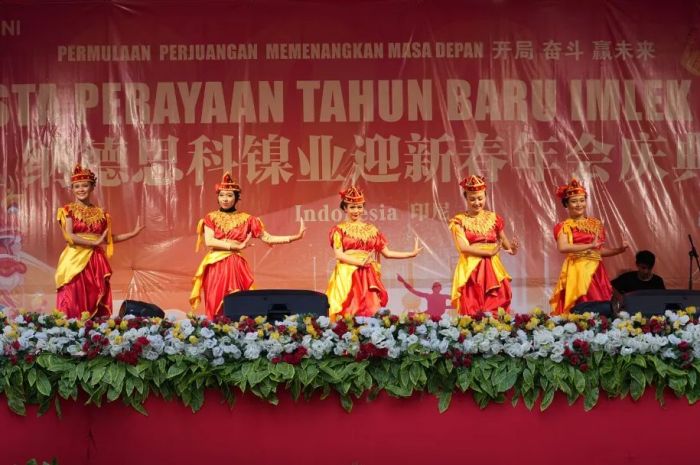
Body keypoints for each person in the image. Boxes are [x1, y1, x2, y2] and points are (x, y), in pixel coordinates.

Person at [189, 172, 305, 319]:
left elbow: (268, 238)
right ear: (217, 197)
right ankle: (214, 329)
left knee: (238, 302)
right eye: (222, 195)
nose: (225, 199)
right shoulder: (210, 217)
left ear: (237, 198)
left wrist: (294, 237)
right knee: (214, 301)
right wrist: (235, 247)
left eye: (229, 195)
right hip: (215, 265)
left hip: (235, 265)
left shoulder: (248, 219)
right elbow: (210, 241)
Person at [55, 164, 144, 318]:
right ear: (72, 189)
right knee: (73, 294)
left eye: (85, 185)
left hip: (95, 260)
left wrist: (132, 234)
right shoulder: (67, 210)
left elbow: (108, 239)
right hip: (75, 258)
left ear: (92, 187)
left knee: (94, 294)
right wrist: (93, 243)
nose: (81, 189)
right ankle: (71, 327)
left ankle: (93, 328)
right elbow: (69, 235)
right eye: (77, 186)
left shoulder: (100, 213)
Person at [326, 186, 422, 319]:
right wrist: (360, 262)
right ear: (345, 208)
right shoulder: (339, 230)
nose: (356, 211)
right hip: (348, 272)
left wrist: (410, 254)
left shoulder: (371, 229)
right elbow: (339, 254)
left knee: (371, 307)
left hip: (367, 273)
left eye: (359, 207)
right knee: (350, 308)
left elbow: (387, 253)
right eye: (352, 207)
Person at [549, 178, 629, 315]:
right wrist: (589, 245)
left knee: (600, 303)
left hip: (596, 269)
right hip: (578, 269)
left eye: (582, 200)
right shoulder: (564, 226)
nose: (579, 204)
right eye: (574, 201)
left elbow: (598, 250)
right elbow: (563, 247)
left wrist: (619, 250)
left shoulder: (595, 224)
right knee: (582, 303)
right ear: (566, 204)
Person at [449, 175, 518, 316]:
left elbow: (505, 243)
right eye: (472, 199)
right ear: (466, 198)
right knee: (474, 303)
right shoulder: (459, 221)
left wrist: (512, 249)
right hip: (472, 268)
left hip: (493, 267)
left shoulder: (494, 218)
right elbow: (463, 248)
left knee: (499, 298)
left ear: (485, 197)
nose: (477, 202)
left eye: (480, 198)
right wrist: (489, 252)